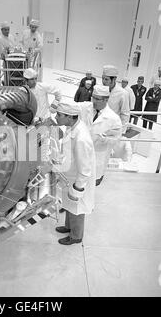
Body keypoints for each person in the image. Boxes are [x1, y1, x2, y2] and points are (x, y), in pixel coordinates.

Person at [53, 101, 96, 245]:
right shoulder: (72, 126)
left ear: (70, 117)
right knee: (69, 203)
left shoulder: (81, 137)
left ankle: (76, 236)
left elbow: (85, 169)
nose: (56, 117)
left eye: (59, 115)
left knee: (77, 207)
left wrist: (78, 189)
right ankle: (68, 227)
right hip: (70, 175)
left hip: (78, 179)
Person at [90, 85, 122, 186]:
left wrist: (103, 139)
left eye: (97, 99)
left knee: (92, 184)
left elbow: (116, 139)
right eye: (93, 97)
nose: (94, 101)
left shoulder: (114, 119)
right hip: (82, 155)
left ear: (106, 99)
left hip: (98, 156)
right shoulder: (87, 110)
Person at [102, 65, 130, 133]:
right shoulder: (100, 89)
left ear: (114, 79)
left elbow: (125, 114)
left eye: (106, 79)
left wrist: (121, 132)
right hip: (99, 126)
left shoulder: (123, 93)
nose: (103, 81)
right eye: (102, 78)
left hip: (112, 129)